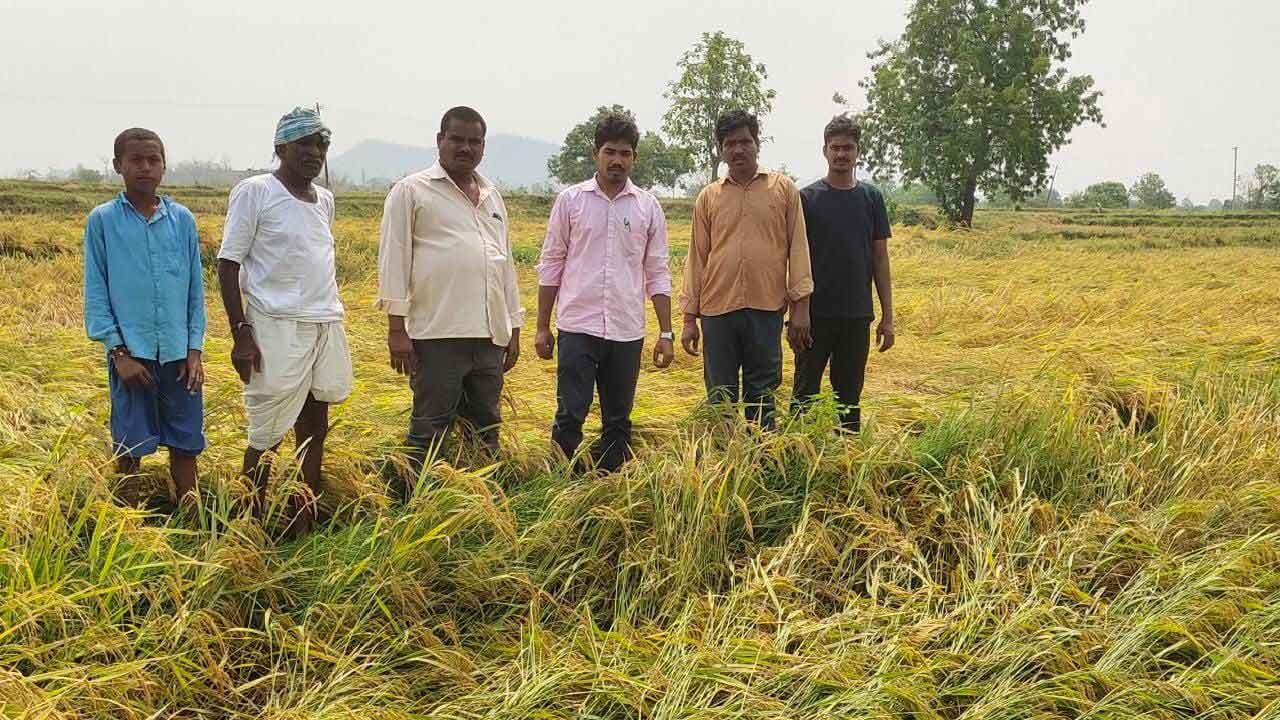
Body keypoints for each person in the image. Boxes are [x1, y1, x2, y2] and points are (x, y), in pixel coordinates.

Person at [217, 106, 352, 536]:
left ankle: (302, 515)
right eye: (305, 143)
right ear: (281, 148)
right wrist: (241, 333)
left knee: (315, 424)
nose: (315, 152)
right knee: (267, 430)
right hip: (274, 325)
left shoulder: (324, 200)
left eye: (322, 144)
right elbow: (228, 264)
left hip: (324, 322)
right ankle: (250, 521)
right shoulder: (255, 191)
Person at [377, 106, 524, 479]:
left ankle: (479, 505)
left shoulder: (492, 196)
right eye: (456, 139)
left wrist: (514, 326)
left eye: (474, 141)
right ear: (439, 141)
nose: (465, 148)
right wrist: (397, 329)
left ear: (483, 147)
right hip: (436, 333)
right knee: (431, 427)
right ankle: (417, 505)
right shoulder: (411, 191)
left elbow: (503, 264)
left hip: (489, 335)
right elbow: (394, 259)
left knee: (485, 426)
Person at [534, 113, 674, 472]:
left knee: (618, 420)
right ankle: (561, 486)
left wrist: (666, 332)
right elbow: (551, 263)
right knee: (570, 415)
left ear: (634, 158)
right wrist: (542, 326)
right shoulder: (571, 201)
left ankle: (609, 492)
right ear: (596, 153)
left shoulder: (647, 207)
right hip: (578, 326)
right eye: (610, 151)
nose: (617, 160)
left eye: (625, 153)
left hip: (627, 330)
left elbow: (657, 272)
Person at [84, 127, 206, 504]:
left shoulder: (181, 219)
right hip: (131, 355)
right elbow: (96, 290)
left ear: (164, 167)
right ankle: (128, 527)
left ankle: (191, 517)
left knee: (186, 444)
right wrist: (118, 353)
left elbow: (194, 291)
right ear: (118, 165)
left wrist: (194, 350)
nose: (145, 167)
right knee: (130, 447)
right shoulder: (103, 221)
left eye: (154, 160)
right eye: (136, 160)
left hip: (177, 355)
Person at [680, 110, 813, 428]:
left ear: (757, 143)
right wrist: (688, 318)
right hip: (717, 311)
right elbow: (697, 257)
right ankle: (725, 467)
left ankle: (761, 462)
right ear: (721, 150)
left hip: (766, 309)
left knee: (762, 394)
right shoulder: (708, 197)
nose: (738, 150)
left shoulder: (783, 190)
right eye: (730, 144)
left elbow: (798, 248)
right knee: (720, 396)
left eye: (745, 142)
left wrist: (801, 308)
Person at [791, 115, 895, 432]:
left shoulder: (871, 199)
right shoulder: (806, 199)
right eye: (835, 147)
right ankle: (796, 457)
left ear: (857, 151)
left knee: (848, 397)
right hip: (814, 317)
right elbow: (793, 259)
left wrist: (887, 317)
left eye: (847, 148)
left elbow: (880, 258)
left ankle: (847, 464)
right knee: (804, 397)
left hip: (856, 316)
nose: (841, 154)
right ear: (824, 151)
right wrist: (797, 313)